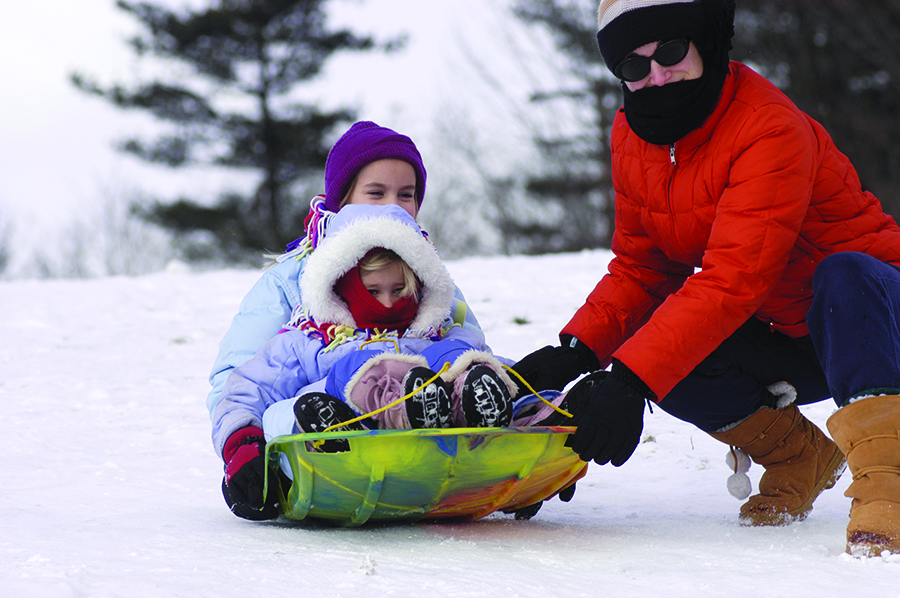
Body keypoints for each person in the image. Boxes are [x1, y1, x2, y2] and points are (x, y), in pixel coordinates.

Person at [514, 0, 900, 557]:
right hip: (791, 336)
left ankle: (887, 481)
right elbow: (643, 268)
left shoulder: (769, 127)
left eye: (670, 51)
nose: (656, 75)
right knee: (663, 344)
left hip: (876, 320)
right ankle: (799, 456)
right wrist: (575, 354)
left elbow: (733, 279)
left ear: (706, 42)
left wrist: (628, 381)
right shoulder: (632, 134)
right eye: (633, 66)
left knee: (841, 274)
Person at [213, 204, 518, 520]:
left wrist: (537, 402)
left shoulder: (438, 337)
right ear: (342, 287)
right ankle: (340, 422)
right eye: (373, 291)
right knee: (287, 409)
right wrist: (242, 448)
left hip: (439, 458)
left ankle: (455, 410)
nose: (387, 303)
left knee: (459, 359)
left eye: (399, 290)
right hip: (337, 460)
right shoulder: (313, 342)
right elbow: (248, 388)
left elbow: (508, 374)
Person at [205, 121, 487, 422]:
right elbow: (237, 380)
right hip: (319, 436)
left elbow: (469, 356)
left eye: (406, 195)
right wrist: (249, 443)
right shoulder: (290, 278)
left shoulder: (430, 281)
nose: (393, 206)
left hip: (426, 425)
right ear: (343, 202)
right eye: (376, 193)